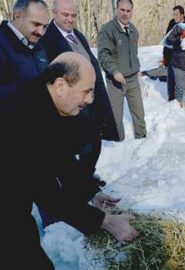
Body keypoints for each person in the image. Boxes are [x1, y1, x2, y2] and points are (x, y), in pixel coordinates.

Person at [1, 52, 138, 269]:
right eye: (86, 91)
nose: (90, 100)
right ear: (61, 85)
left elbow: (60, 159)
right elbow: (47, 193)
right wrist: (105, 221)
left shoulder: (43, 102)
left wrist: (90, 193)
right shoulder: (19, 115)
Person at [39, 0, 120, 227]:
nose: (70, 19)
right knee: (69, 155)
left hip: (89, 105)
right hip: (69, 110)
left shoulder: (78, 36)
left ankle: (85, 186)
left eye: (74, 15)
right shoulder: (47, 40)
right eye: (65, 14)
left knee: (94, 146)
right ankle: (73, 196)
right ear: (54, 13)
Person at [98, 0, 147, 141]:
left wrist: (135, 67)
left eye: (128, 11)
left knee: (139, 113)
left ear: (132, 11)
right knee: (115, 117)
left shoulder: (133, 30)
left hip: (132, 80)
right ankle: (118, 145)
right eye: (122, 10)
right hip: (115, 81)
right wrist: (114, 71)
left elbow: (133, 53)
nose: (125, 14)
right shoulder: (107, 30)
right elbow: (103, 54)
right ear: (117, 9)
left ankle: (142, 140)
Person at [0, 0, 49, 100]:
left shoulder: (39, 47)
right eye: (36, 24)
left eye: (45, 26)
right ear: (18, 15)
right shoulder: (2, 44)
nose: (41, 32)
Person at [162, 5, 185, 101]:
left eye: (176, 15)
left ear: (182, 15)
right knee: (171, 75)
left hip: (184, 55)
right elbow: (166, 39)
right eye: (173, 14)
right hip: (171, 54)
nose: (174, 17)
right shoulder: (172, 23)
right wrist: (165, 56)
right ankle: (171, 98)